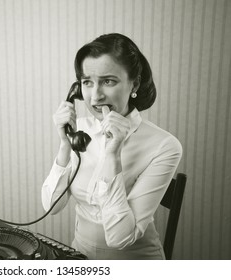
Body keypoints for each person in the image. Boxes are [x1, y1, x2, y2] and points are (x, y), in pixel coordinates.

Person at [41, 33, 182, 260]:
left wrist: (113, 154)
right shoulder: (81, 132)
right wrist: (65, 144)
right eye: (87, 82)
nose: (95, 96)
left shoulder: (165, 146)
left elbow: (119, 238)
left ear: (134, 83)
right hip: (80, 257)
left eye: (108, 81)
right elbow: (50, 207)